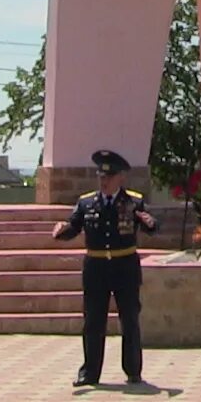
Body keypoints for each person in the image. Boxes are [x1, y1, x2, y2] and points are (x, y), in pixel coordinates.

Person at [52, 150, 158, 387]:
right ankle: (89, 373)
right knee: (93, 321)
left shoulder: (133, 202)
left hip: (125, 266)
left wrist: (150, 224)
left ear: (121, 177)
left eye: (109, 177)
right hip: (96, 267)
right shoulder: (87, 202)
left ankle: (133, 371)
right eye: (101, 176)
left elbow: (151, 225)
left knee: (129, 319)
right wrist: (61, 232)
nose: (104, 181)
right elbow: (74, 227)